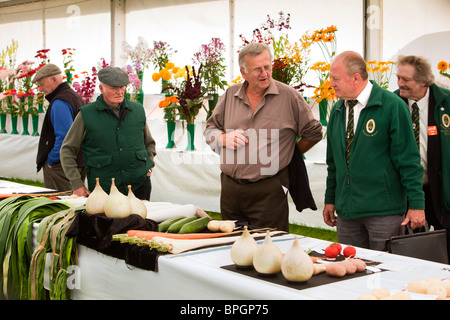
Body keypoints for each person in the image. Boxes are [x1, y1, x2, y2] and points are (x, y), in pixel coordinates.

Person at [204, 42, 322, 231]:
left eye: (267, 67)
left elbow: (314, 132)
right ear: (243, 73)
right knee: (231, 246)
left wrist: (290, 153)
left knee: (269, 250)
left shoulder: (289, 97)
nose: (265, 73)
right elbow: (210, 128)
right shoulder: (229, 95)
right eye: (257, 69)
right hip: (230, 190)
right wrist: (221, 139)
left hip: (269, 190)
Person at [323, 51, 425, 250]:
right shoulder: (337, 110)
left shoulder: (391, 106)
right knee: (351, 274)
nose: (331, 83)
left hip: (384, 214)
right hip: (347, 215)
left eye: (335, 78)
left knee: (384, 275)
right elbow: (333, 163)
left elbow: (409, 161)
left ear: (355, 78)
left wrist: (416, 204)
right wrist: (330, 199)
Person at [60, 66, 156, 200]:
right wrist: (77, 184)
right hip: (104, 189)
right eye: (113, 88)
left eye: (122, 87)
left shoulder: (138, 110)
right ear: (101, 89)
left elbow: (149, 143)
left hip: (139, 185)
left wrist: (148, 167)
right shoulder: (86, 114)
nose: (119, 92)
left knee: (141, 221)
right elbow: (67, 150)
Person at [394, 55, 450, 259]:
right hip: (405, 190)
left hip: (441, 189)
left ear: (423, 81)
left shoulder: (446, 102)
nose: (400, 83)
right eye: (398, 77)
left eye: (406, 80)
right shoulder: (392, 103)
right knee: (411, 247)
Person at [33, 63, 86, 191]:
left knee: (60, 206)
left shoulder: (60, 102)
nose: (40, 89)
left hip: (61, 166)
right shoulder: (73, 96)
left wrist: (51, 160)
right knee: (75, 203)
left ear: (54, 80)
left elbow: (65, 137)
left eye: (42, 84)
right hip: (76, 161)